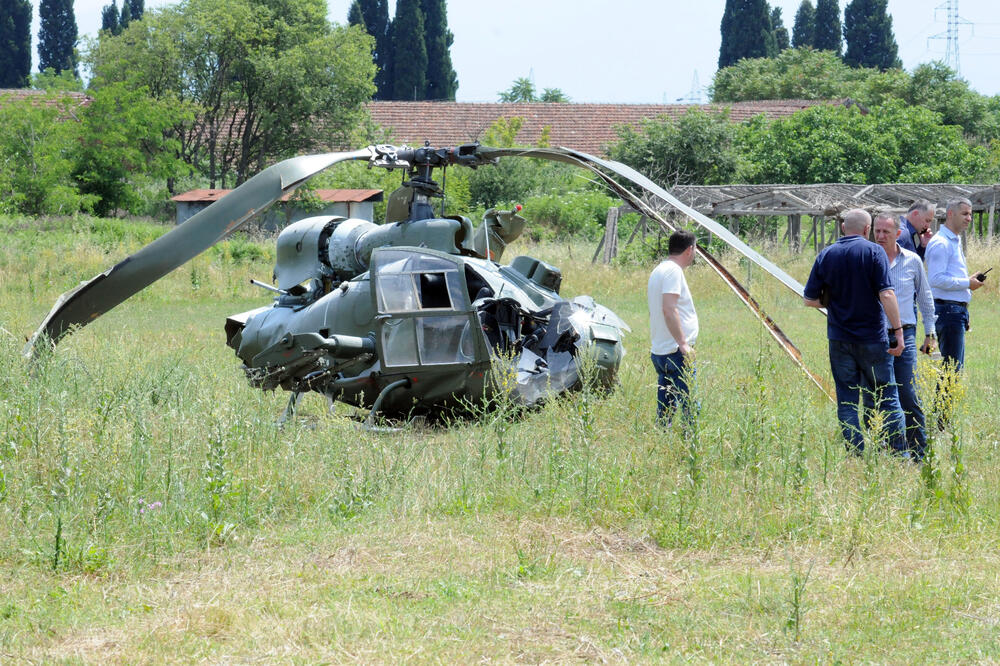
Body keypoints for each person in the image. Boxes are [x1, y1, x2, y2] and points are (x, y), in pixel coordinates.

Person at [803, 209, 907, 455]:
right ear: (866, 229)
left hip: (839, 339)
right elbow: (887, 294)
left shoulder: (826, 255)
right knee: (887, 396)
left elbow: (809, 300)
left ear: (842, 228)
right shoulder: (874, 252)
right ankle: (898, 453)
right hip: (872, 338)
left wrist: (836, 304)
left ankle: (855, 453)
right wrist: (898, 331)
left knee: (848, 399)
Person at [872, 213, 936, 459]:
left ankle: (919, 451)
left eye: (886, 232)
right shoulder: (869, 260)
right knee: (878, 393)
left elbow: (925, 297)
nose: (880, 236)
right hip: (874, 335)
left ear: (898, 234)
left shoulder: (911, 261)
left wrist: (930, 333)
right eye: (877, 231)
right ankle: (887, 448)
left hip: (906, 334)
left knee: (907, 392)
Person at [924, 198, 986, 371]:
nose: (969, 218)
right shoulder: (941, 242)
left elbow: (947, 276)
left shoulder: (953, 240)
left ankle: (946, 399)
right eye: (965, 214)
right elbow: (936, 279)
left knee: (952, 370)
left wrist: (968, 281)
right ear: (950, 214)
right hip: (948, 312)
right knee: (951, 372)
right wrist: (967, 282)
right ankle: (943, 400)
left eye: (970, 214)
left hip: (954, 311)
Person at [648, 229, 698, 425]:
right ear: (689, 250)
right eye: (694, 250)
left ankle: (663, 442)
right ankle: (690, 447)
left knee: (666, 410)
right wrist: (683, 344)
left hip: (661, 349)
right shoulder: (673, 272)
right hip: (675, 351)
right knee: (690, 406)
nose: (694, 254)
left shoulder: (659, 270)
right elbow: (669, 309)